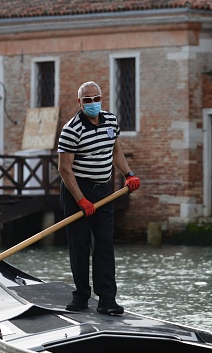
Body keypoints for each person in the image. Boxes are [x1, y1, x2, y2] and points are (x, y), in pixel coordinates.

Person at [57, 81, 140, 315]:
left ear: (101, 99)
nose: (92, 103)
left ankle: (107, 299)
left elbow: (116, 150)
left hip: (104, 190)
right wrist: (81, 199)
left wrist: (128, 174)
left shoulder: (111, 121)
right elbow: (64, 168)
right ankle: (81, 296)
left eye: (96, 99)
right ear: (79, 102)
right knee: (80, 245)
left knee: (104, 244)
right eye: (87, 100)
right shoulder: (71, 129)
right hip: (76, 191)